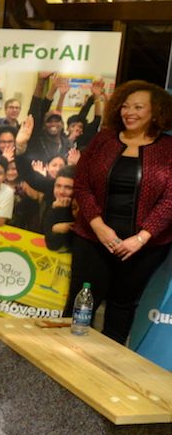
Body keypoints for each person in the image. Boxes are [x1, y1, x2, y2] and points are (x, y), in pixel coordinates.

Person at [66, 81, 172, 344]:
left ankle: (103, 373)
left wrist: (140, 238)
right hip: (92, 239)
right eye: (125, 106)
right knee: (79, 306)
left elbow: (170, 199)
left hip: (144, 248)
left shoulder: (168, 148)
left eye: (138, 107)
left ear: (155, 111)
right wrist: (99, 227)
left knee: (121, 308)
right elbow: (82, 184)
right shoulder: (103, 139)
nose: (129, 112)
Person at [41, 166, 76, 253]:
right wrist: (55, 209)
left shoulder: (80, 210)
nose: (61, 191)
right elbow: (51, 244)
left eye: (68, 187)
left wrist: (55, 228)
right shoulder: (52, 203)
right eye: (58, 186)